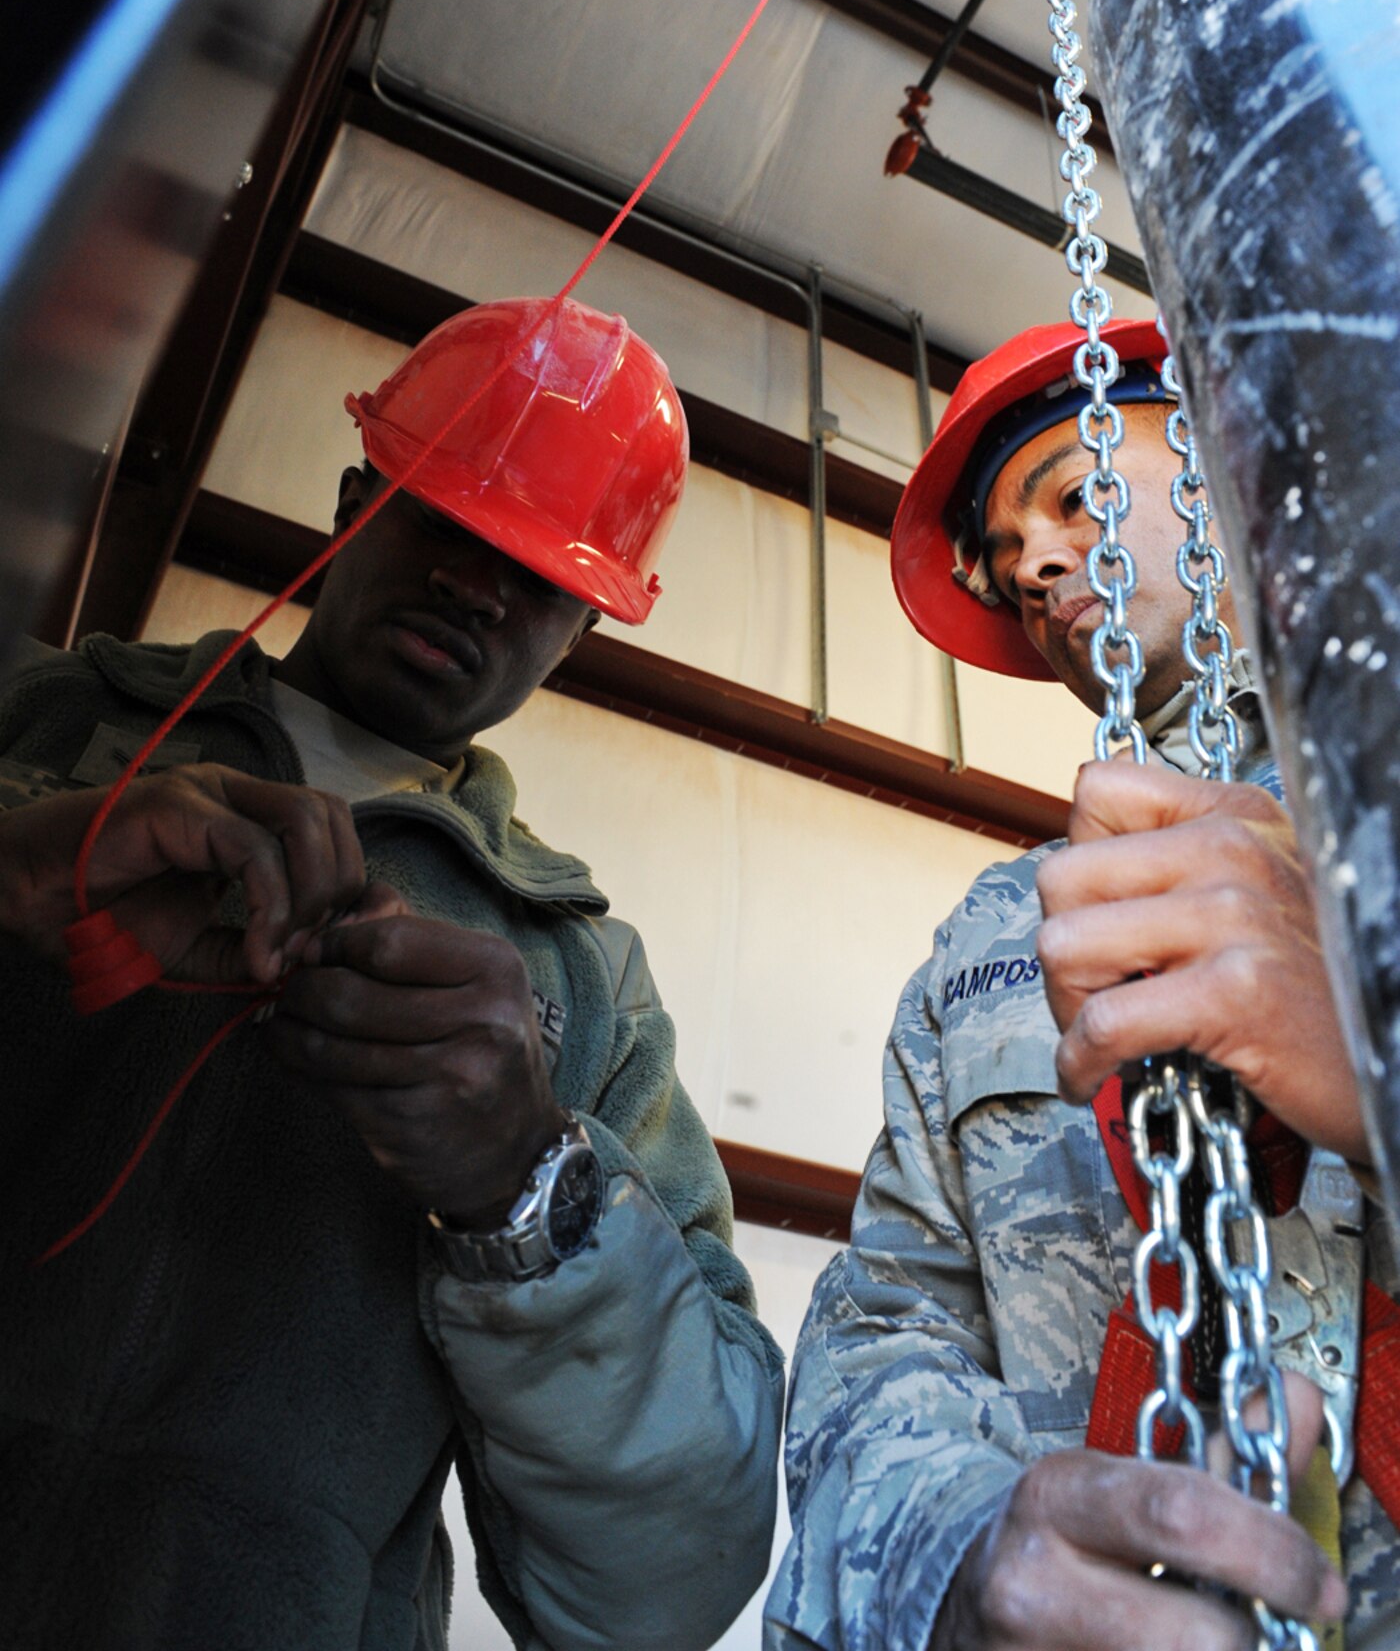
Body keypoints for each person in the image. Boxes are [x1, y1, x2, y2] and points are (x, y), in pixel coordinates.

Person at [0, 295, 782, 1651]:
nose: (475, 587)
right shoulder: (49, 721)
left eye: (535, 574)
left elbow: (665, 1579)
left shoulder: (581, 981)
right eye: (447, 522)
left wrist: (527, 1187)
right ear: (358, 496)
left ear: (578, 637)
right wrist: (27, 858)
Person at [765, 315, 1400, 1651]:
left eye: (1078, 493)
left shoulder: (1381, 810)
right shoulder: (994, 944)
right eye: (1004, 559)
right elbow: (890, 1329)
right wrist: (954, 1554)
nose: (1037, 564)